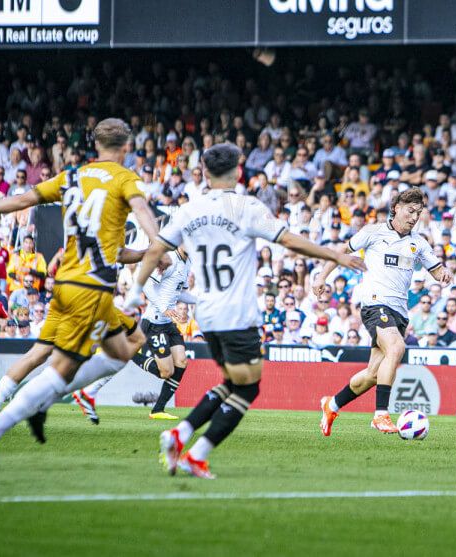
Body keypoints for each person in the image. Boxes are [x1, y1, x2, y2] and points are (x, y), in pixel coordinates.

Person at [128, 144, 364, 479]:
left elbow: (154, 250)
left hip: (207, 315)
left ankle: (181, 434)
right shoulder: (247, 207)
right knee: (248, 388)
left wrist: (135, 292)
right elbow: (290, 241)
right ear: (239, 171)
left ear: (205, 173)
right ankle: (197, 452)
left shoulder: (188, 210)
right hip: (236, 314)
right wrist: (336, 256)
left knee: (232, 381)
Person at [0, 118, 161, 469]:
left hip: (67, 285)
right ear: (126, 148)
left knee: (124, 350)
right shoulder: (125, 179)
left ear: (95, 144)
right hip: (90, 290)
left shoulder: (72, 177)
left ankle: (44, 400)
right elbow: (144, 213)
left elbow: (21, 199)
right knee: (58, 371)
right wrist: (157, 242)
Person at [313, 188, 452, 435]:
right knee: (397, 348)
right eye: (411, 210)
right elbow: (340, 253)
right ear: (396, 207)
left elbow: (436, 268)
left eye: (418, 213)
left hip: (399, 312)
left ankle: (331, 404)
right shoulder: (373, 232)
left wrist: (443, 274)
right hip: (375, 304)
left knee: (373, 374)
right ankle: (380, 415)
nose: (414, 217)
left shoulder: (418, 243)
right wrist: (321, 276)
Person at [78, 247, 194, 421]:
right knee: (166, 372)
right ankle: (132, 355)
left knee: (182, 362)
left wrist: (203, 301)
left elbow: (181, 291)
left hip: (167, 322)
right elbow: (146, 285)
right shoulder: (169, 259)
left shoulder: (187, 262)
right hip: (154, 322)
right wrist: (163, 308)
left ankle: (158, 409)